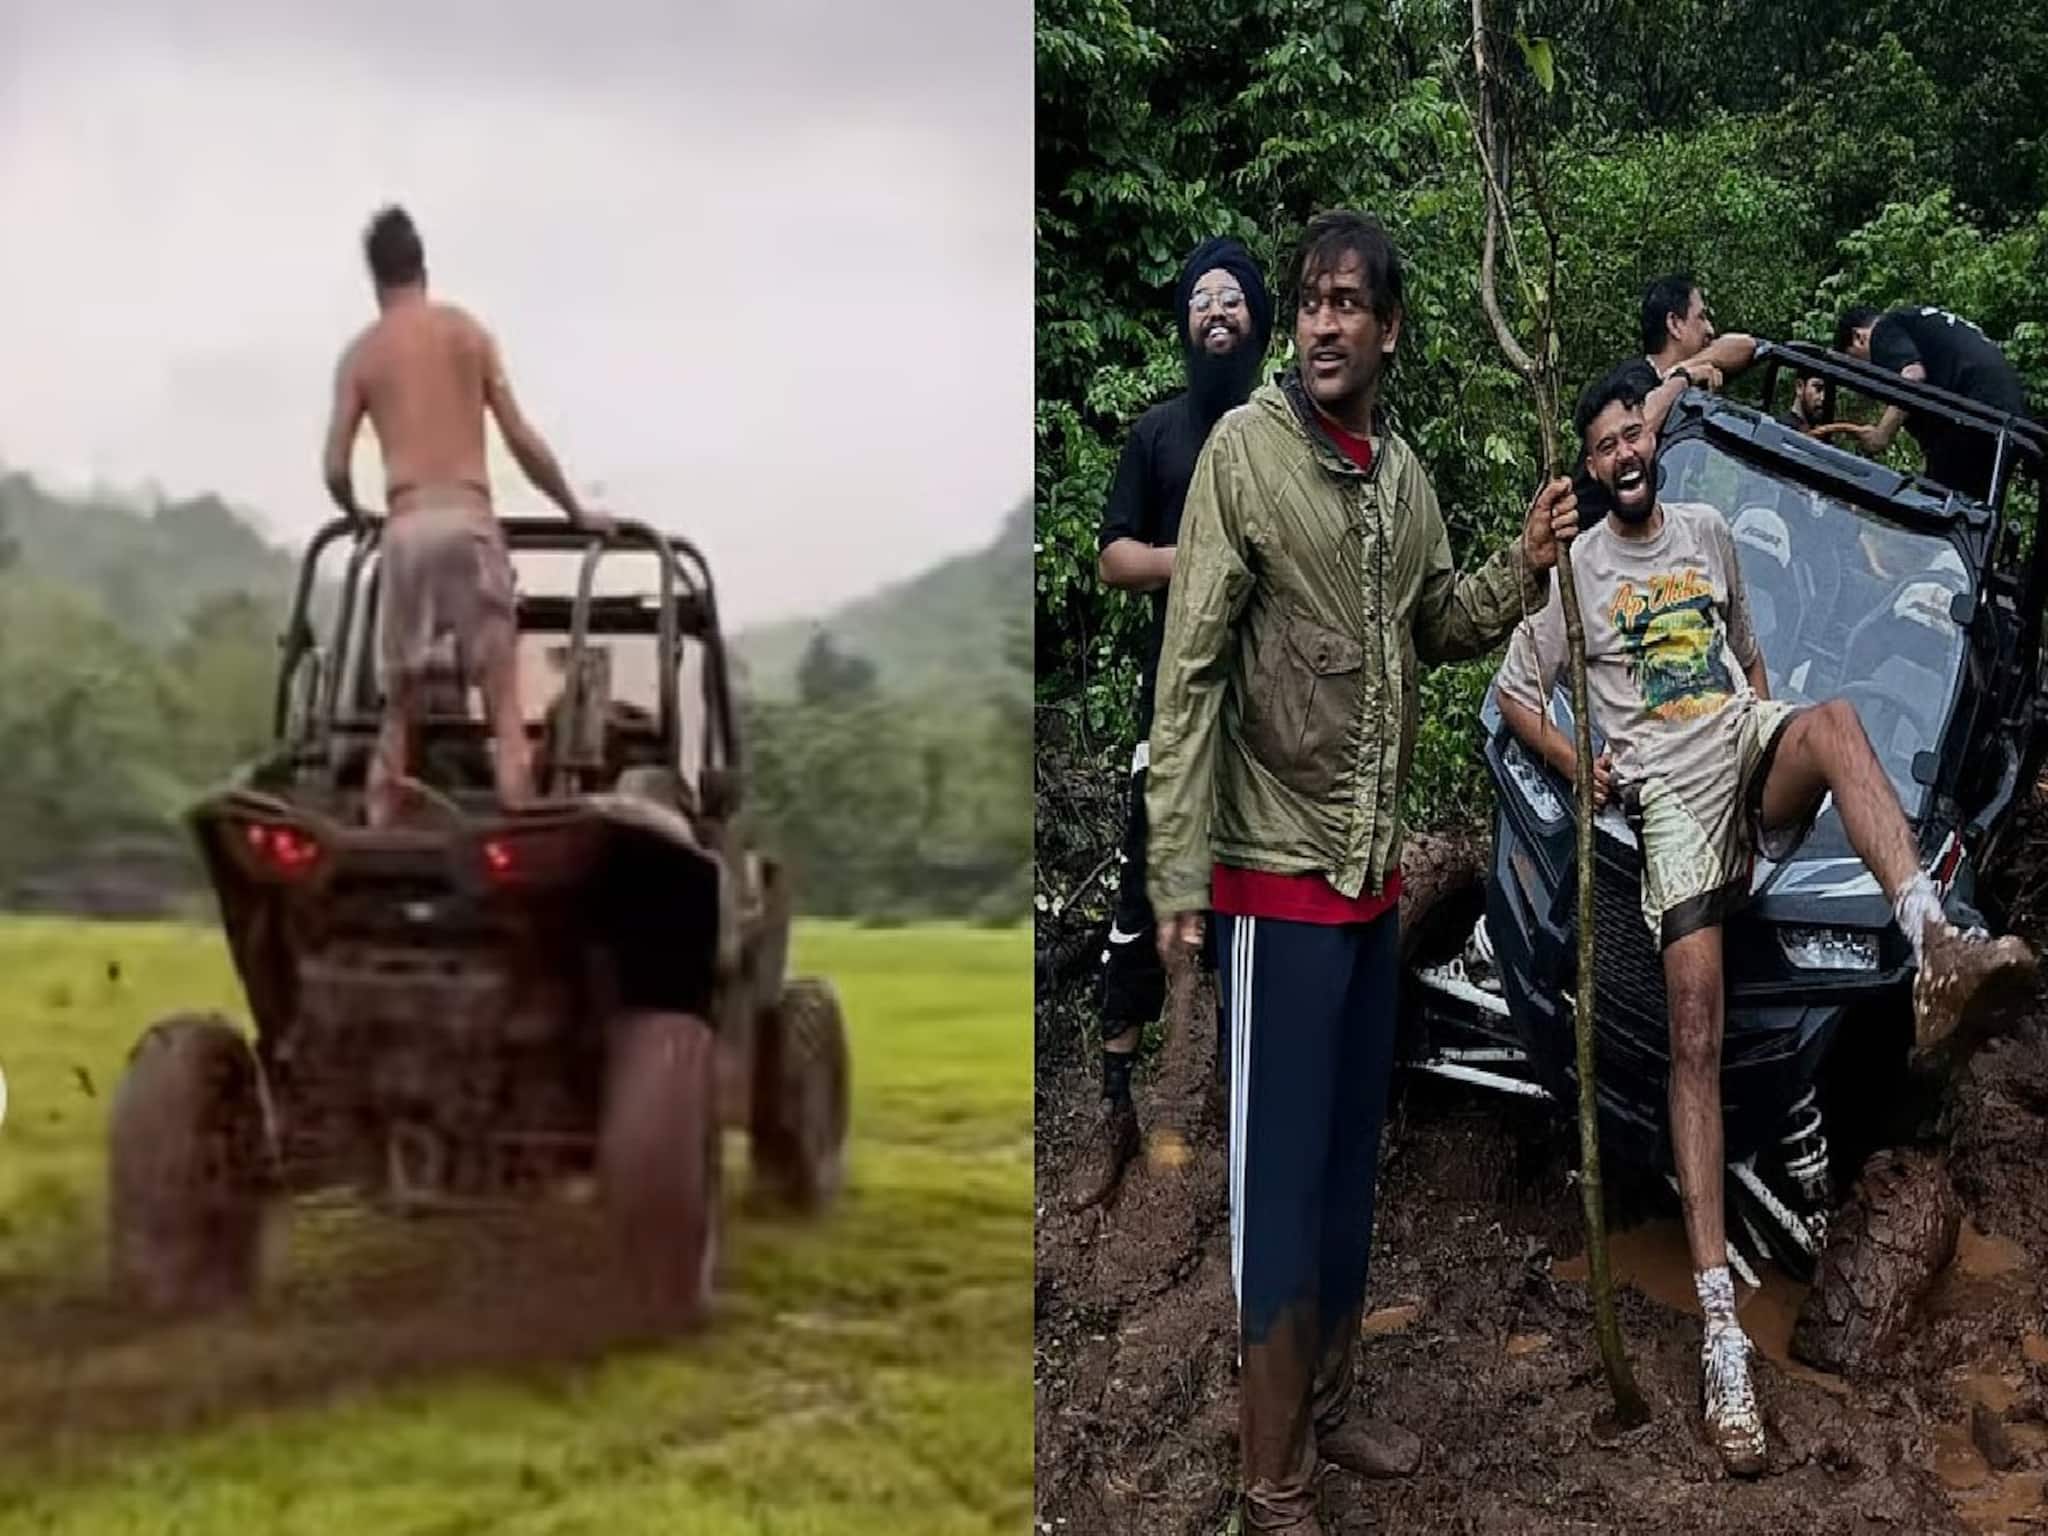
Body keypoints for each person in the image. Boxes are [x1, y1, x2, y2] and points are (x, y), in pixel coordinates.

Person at [1493, 362, 2036, 1477]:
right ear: (1590, 467)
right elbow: (1513, 692)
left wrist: (1761, 719)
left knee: (1829, 720)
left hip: (1743, 747)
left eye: (1632, 434)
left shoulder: (1707, 530)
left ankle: (1935, 945)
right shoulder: (1577, 573)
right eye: (1603, 446)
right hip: (1668, 802)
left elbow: (1747, 654)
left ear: (1652, 440)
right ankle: (1720, 1335)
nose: (1623, 453)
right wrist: (1581, 763)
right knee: (1693, 1037)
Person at [1145, 208, 1578, 1535]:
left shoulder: (1402, 481)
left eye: (1349, 305)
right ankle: (1271, 1478)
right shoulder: (1244, 455)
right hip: (1271, 882)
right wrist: (1176, 870)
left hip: (1368, 888)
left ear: (1389, 330)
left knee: (1343, 1169)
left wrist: (1521, 568)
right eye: (1311, 303)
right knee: (1277, 1188)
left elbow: (1432, 622)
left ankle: (1327, 1407)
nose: (1324, 325)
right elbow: (1190, 669)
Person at [1074, 236, 1275, 1211]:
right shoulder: (1156, 435)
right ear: (1185, 325)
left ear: (1258, 323)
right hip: (1174, 707)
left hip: (1267, 720)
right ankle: (1114, 1109)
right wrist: (1195, 556)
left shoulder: (1285, 434)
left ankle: (1239, 1120)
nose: (1216, 311)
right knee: (1138, 904)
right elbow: (1113, 556)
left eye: (1232, 298)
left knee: (1249, 912)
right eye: (1201, 299)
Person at [321, 205, 610, 827]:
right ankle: (519, 824)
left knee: (398, 710)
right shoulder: (466, 334)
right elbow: (521, 439)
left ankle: (378, 835)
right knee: (503, 706)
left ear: (375, 280)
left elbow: (335, 469)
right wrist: (575, 510)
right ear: (423, 268)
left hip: (404, 528)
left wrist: (357, 513)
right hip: (467, 519)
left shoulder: (362, 356)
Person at [1822, 305, 2032, 501]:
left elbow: (1913, 376)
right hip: (2010, 424)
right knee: (1972, 512)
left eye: (1857, 362)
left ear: (1858, 337)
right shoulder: (1922, 324)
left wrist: (1881, 434)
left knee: (1932, 507)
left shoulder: (1883, 329)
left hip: (1972, 417)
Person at [1776, 368, 1829, 432]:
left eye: (1827, 393)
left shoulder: (1818, 430)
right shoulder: (1781, 426)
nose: (1822, 398)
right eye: (1818, 389)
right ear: (1800, 387)